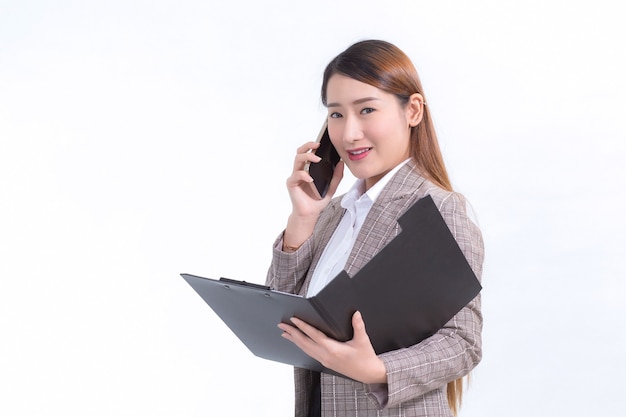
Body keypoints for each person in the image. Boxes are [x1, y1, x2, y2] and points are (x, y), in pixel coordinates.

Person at [265, 39, 484, 417]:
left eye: (366, 109)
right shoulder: (332, 214)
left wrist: (376, 370)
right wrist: (302, 218)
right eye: (336, 114)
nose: (349, 133)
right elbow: (282, 316)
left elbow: (463, 342)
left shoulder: (439, 209)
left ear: (412, 110)